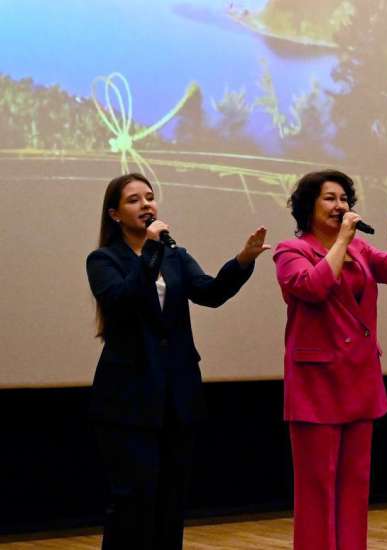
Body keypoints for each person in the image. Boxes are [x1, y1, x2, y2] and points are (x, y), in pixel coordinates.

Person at [86, 173, 269, 550]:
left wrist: (242, 261)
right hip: (128, 398)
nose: (146, 205)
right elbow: (122, 299)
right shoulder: (104, 260)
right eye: (134, 200)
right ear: (115, 214)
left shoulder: (175, 255)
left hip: (177, 394)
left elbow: (210, 292)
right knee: (133, 498)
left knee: (171, 498)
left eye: (150, 198)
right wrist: (150, 251)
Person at [274, 169, 387, 550]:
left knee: (355, 483)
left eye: (344, 199)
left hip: (359, 377)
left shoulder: (360, 250)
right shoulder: (290, 250)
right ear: (308, 207)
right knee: (317, 484)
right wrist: (343, 238)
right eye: (329, 198)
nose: (339, 205)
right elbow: (312, 287)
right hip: (317, 384)